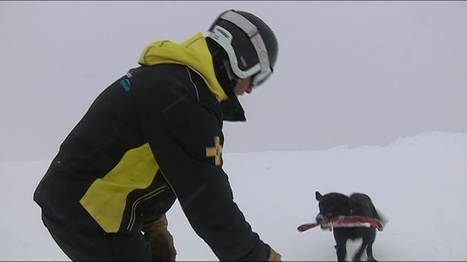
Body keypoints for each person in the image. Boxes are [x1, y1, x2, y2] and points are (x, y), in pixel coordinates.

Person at [33, 9, 280, 261]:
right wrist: (257, 257)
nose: (250, 89)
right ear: (243, 59)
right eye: (257, 77)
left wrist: (153, 223)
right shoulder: (186, 99)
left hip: (86, 208)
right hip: (90, 216)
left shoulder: (174, 83)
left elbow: (142, 159)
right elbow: (209, 206)